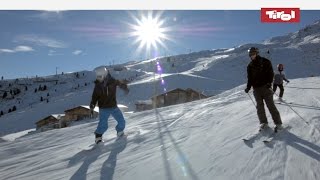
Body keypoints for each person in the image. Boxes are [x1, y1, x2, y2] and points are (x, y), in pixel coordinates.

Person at [244, 47, 283, 132]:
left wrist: (269, 82)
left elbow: (270, 73)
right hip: (256, 89)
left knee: (270, 105)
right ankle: (263, 123)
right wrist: (248, 87)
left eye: (253, 53)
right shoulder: (249, 66)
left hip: (266, 87)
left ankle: (278, 124)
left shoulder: (265, 61)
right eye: (250, 54)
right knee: (259, 107)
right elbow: (250, 78)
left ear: (257, 53)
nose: (252, 55)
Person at [90, 67, 129, 144]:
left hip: (113, 106)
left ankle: (120, 132)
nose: (99, 79)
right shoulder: (98, 85)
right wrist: (92, 104)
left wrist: (124, 87)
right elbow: (94, 96)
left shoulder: (113, 81)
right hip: (103, 108)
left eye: (100, 77)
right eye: (98, 77)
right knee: (103, 125)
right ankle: (98, 136)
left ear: (105, 75)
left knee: (121, 121)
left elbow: (120, 83)